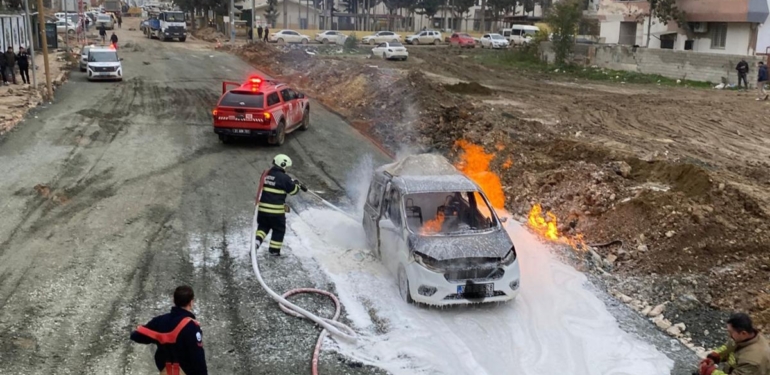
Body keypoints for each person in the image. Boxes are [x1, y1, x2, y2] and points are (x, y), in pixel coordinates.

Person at [130, 285, 208, 375]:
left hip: (165, 371)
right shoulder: (192, 326)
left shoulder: (159, 321)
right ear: (191, 302)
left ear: (174, 301)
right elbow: (197, 358)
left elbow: (136, 336)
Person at [255, 154, 307, 256]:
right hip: (276, 212)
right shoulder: (284, 178)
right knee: (278, 230)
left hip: (262, 210)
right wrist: (297, 185)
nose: (287, 168)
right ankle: (274, 251)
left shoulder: (265, 174)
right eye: (286, 166)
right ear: (283, 165)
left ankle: (256, 243)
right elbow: (293, 191)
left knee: (263, 227)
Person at [698, 313, 770, 375]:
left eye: (731, 332)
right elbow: (728, 346)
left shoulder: (752, 361)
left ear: (743, 333)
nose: (729, 335)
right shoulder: (743, 338)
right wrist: (714, 357)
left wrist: (710, 372)